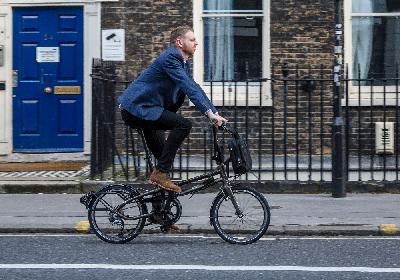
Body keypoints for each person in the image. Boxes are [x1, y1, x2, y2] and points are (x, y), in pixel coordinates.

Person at [118, 25, 227, 194]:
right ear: (179, 42)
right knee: (183, 125)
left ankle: (159, 214)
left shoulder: (182, 63)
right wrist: (209, 114)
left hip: (149, 110)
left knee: (164, 161)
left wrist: (214, 113)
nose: (197, 43)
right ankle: (160, 174)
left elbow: (194, 87)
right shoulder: (171, 58)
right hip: (137, 109)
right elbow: (187, 87)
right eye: (192, 40)